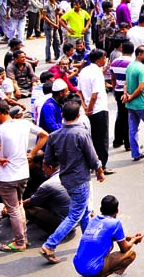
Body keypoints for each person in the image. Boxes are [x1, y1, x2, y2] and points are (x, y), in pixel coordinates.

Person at [41, 101, 104, 263]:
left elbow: (49, 159)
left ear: (62, 116)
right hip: (80, 179)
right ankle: (50, 244)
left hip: (66, 178)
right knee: (75, 214)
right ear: (78, 115)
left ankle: (88, 242)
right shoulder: (81, 133)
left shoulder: (55, 135)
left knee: (84, 210)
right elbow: (92, 157)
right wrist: (99, 170)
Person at [0, 99, 49, 252]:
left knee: (13, 209)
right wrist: (32, 153)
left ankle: (20, 242)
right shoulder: (24, 124)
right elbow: (45, 135)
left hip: (7, 176)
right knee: (18, 206)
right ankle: (23, 238)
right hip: (23, 173)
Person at [73, 195, 143, 277]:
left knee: (98, 247)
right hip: (91, 268)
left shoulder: (93, 220)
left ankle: (88, 276)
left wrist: (129, 237)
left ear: (101, 208)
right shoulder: (115, 223)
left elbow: (101, 236)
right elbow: (124, 248)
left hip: (78, 265)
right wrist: (135, 240)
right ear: (117, 211)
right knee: (130, 254)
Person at [79, 48, 111, 172]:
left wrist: (85, 107)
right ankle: (102, 165)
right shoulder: (97, 73)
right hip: (98, 109)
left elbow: (79, 91)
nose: (105, 59)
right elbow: (94, 94)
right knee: (102, 139)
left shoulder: (84, 71)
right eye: (104, 58)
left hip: (87, 109)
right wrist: (90, 108)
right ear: (99, 60)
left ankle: (92, 163)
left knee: (92, 137)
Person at [23, 158, 70, 235]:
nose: (43, 169)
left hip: (64, 222)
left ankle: (55, 232)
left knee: (27, 209)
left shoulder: (48, 184)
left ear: (50, 168)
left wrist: (13, 209)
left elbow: (30, 202)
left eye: (44, 167)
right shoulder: (67, 174)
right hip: (75, 218)